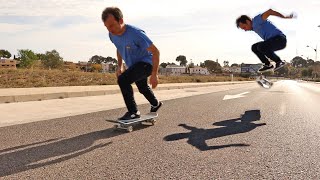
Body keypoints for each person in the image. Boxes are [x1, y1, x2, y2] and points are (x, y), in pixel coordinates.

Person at [102, 7, 162, 120]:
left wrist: (154, 74)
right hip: (134, 65)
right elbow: (119, 48)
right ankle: (156, 104)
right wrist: (120, 66)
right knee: (142, 87)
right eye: (107, 27)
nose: (110, 30)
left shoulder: (136, 34)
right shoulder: (112, 35)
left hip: (147, 63)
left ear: (120, 20)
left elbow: (155, 52)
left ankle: (133, 112)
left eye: (112, 25)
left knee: (123, 80)